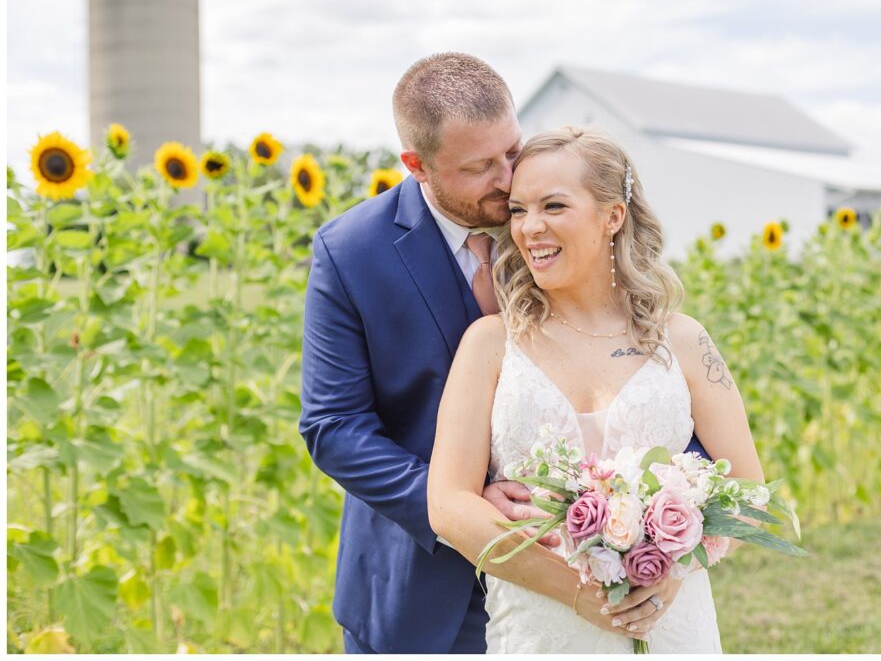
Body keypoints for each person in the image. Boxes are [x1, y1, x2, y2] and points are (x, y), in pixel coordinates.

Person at [301, 52, 710, 653]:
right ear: (417, 166)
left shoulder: (551, 227)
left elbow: (663, 389)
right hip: (421, 581)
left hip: (599, 564)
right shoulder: (352, 252)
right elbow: (333, 426)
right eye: (479, 166)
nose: (507, 179)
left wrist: (667, 513)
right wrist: (458, 502)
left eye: (511, 152)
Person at [427, 127, 765, 653]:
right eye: (518, 210)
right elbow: (448, 506)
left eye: (554, 206)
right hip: (540, 628)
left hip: (672, 624)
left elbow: (746, 489)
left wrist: (671, 568)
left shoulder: (683, 339)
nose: (529, 228)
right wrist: (582, 594)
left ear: (613, 216)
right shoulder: (490, 343)